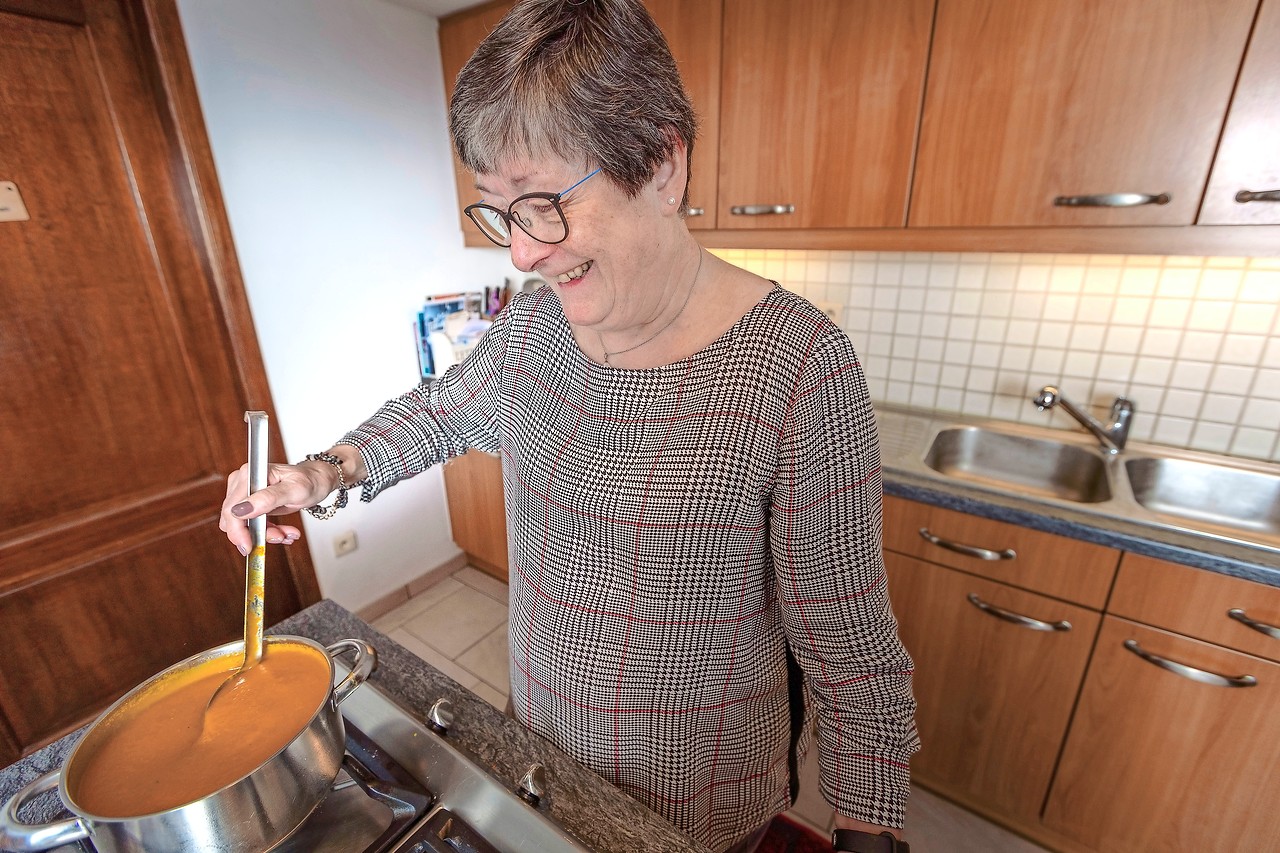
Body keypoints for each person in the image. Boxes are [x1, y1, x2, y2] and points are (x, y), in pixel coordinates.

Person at [219, 1, 919, 851]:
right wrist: (318, 474)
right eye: (499, 211)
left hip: (696, 816)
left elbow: (852, 651)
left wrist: (868, 831)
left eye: (543, 201)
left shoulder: (797, 366)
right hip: (537, 763)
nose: (520, 251)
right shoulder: (536, 324)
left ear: (664, 164)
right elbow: (439, 412)